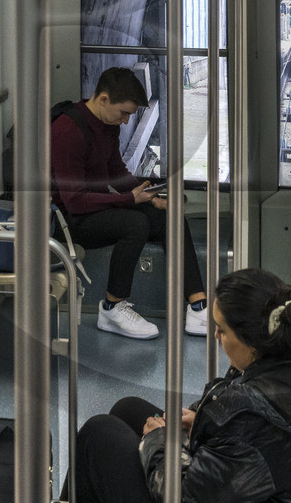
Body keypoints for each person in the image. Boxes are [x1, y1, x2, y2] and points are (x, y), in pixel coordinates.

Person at [71, 269, 291, 503]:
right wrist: (201, 419)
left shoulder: (254, 417)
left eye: (222, 330)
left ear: (250, 340)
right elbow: (254, 445)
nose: (216, 335)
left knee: (99, 436)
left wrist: (159, 441)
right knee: (128, 410)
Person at [52, 66, 209, 339]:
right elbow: (74, 201)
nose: (125, 122)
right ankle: (112, 308)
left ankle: (198, 307)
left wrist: (150, 197)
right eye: (123, 113)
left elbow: (116, 169)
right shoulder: (68, 130)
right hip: (67, 220)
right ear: (103, 99)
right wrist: (129, 199)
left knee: (169, 217)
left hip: (93, 208)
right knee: (135, 223)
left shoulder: (107, 124)